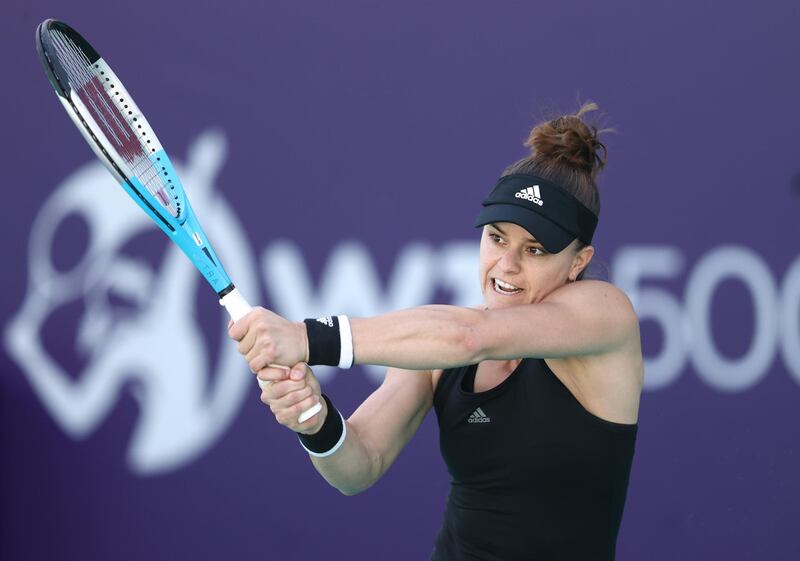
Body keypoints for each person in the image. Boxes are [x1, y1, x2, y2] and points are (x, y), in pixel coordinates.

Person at [229, 102, 643, 561]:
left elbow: (471, 336)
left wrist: (308, 338)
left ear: (578, 263)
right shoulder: (438, 346)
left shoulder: (605, 315)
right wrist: (313, 417)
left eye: (536, 249)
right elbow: (360, 465)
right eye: (498, 237)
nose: (506, 265)